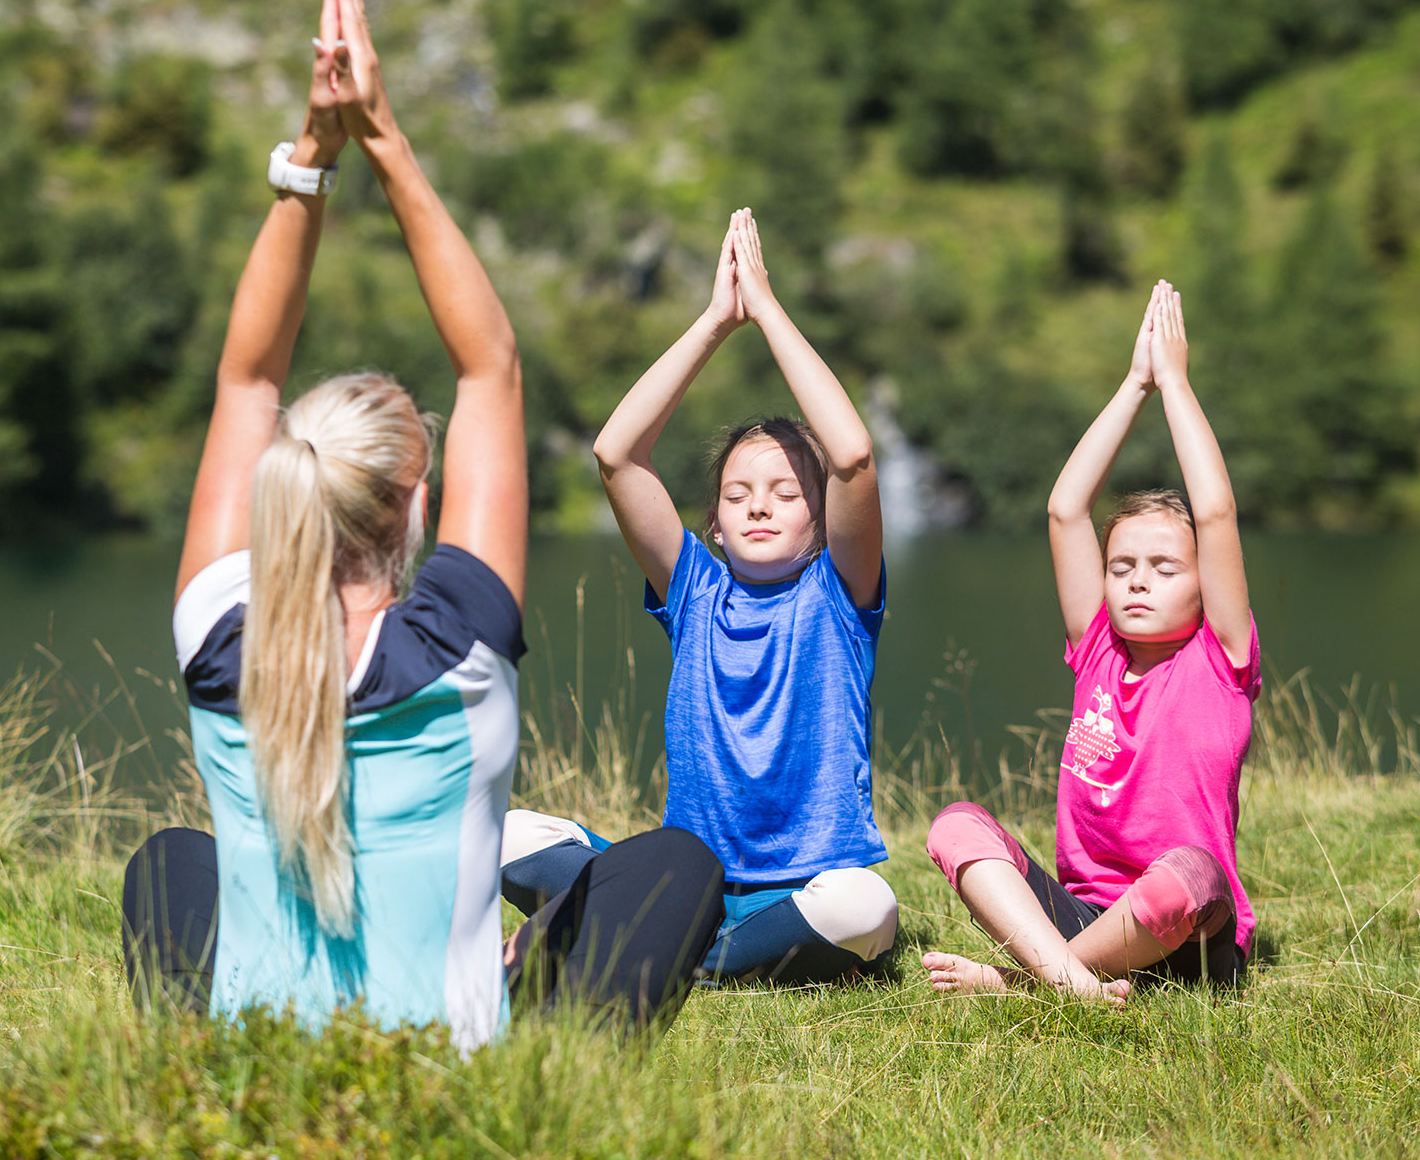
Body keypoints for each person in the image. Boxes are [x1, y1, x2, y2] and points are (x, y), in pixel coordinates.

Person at [122, 0, 721, 1047]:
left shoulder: (217, 640)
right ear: (414, 505)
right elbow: (488, 364)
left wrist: (312, 153)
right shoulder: (458, 647)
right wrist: (384, 136)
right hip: (440, 1071)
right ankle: (551, 1042)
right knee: (671, 866)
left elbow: (245, 378)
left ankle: (196, 1045)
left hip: (267, 1074)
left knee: (171, 860)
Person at [501, 210, 899, 985]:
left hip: (806, 888)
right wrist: (716, 321)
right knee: (499, 831)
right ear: (710, 522)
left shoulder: (838, 597)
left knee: (868, 908)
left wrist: (768, 311)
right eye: (739, 492)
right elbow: (616, 453)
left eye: (786, 492)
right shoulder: (692, 589)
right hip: (687, 880)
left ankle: (678, 954)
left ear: (821, 522)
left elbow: (851, 454)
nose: (759, 505)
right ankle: (665, 926)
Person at [921, 281, 1258, 1003]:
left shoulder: (1219, 659)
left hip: (1188, 937)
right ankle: (1071, 979)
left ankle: (1028, 979)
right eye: (1121, 567)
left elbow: (1218, 511)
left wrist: (1173, 384)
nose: (1137, 582)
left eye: (1164, 568)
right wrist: (1131, 383)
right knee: (955, 826)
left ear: (1205, 586)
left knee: (1190, 873)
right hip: (1083, 916)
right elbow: (1066, 507)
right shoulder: (1098, 647)